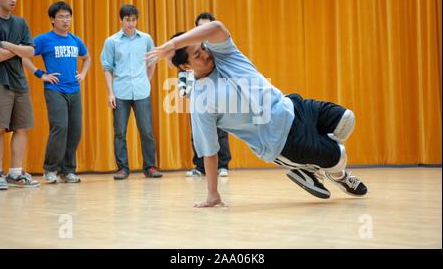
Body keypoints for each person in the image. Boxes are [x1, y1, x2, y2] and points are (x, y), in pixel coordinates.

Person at [146, 20, 368, 207]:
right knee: (338, 155)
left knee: (346, 119)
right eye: (197, 55)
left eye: (203, 47)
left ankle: (307, 167)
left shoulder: (223, 53)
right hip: (280, 141)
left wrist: (174, 43)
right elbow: (209, 150)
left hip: (292, 107)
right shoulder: (200, 101)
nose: (205, 53)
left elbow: (217, 26)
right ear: (186, 67)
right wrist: (213, 194)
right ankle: (337, 173)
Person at [22, 1, 91, 184]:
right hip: (55, 90)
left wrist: (82, 74)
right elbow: (24, 56)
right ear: (52, 19)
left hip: (74, 90)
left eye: (68, 16)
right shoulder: (44, 39)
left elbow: (87, 58)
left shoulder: (75, 40)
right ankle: (50, 169)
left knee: (75, 130)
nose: (65, 20)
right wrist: (40, 74)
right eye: (61, 16)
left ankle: (67, 171)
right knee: (60, 127)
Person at [101, 4, 162, 179]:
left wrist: (146, 82)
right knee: (119, 132)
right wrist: (110, 93)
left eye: (134, 20)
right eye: (127, 20)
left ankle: (150, 167)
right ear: (121, 20)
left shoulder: (146, 39)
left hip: (142, 91)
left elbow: (152, 63)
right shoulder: (112, 41)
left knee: (147, 131)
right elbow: (107, 68)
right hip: (120, 92)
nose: (131, 23)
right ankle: (122, 168)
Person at [0, 0, 40, 190]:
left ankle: (15, 173)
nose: (13, 0)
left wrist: (9, 45)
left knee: (22, 127)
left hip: (19, 82)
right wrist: (18, 49)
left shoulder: (20, 23)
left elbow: (31, 50)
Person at [178, 13, 231, 178]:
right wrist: (183, 90)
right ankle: (200, 167)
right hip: (197, 98)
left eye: (207, 27)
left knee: (220, 132)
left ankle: (223, 166)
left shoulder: (216, 49)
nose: (204, 30)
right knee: (198, 133)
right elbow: (182, 71)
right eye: (200, 27)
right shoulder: (191, 48)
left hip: (218, 97)